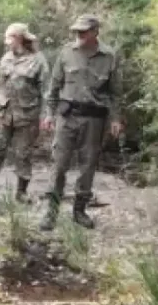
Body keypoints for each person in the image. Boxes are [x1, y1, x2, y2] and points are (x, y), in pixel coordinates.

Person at [39, 14, 124, 230]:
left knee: (88, 166)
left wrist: (115, 119)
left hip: (94, 119)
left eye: (83, 31)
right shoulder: (67, 52)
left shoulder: (109, 56)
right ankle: (51, 211)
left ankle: (79, 210)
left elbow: (115, 93)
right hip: (67, 117)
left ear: (95, 32)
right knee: (59, 165)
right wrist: (49, 114)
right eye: (77, 31)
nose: (79, 35)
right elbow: (54, 87)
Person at [0, 23, 49, 205]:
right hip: (4, 114)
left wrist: (47, 115)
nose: (8, 43)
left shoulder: (38, 60)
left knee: (23, 155)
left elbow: (47, 91)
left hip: (27, 116)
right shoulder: (5, 59)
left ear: (20, 38)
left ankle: (21, 192)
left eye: (11, 39)